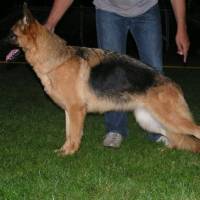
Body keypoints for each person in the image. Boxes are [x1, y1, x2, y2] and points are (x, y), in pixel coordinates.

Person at [44, 0, 190, 148]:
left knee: (155, 70)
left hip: (147, 8)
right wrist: (51, 22)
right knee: (109, 76)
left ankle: (161, 131)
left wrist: (181, 27)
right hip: (108, 11)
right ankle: (115, 129)